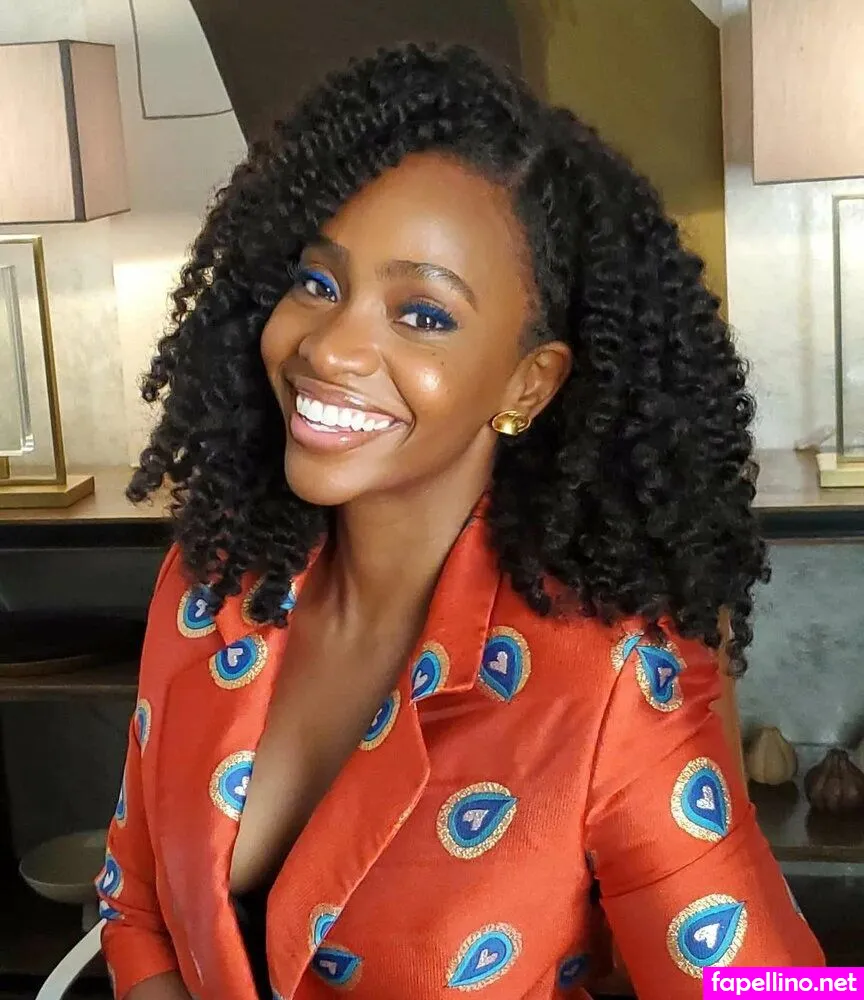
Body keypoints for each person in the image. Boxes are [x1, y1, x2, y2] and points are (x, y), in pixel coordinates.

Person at [95, 42, 824, 1000]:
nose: (331, 349)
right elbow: (135, 905)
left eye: (424, 316)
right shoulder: (213, 578)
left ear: (529, 383)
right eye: (319, 284)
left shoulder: (610, 678)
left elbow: (769, 986)